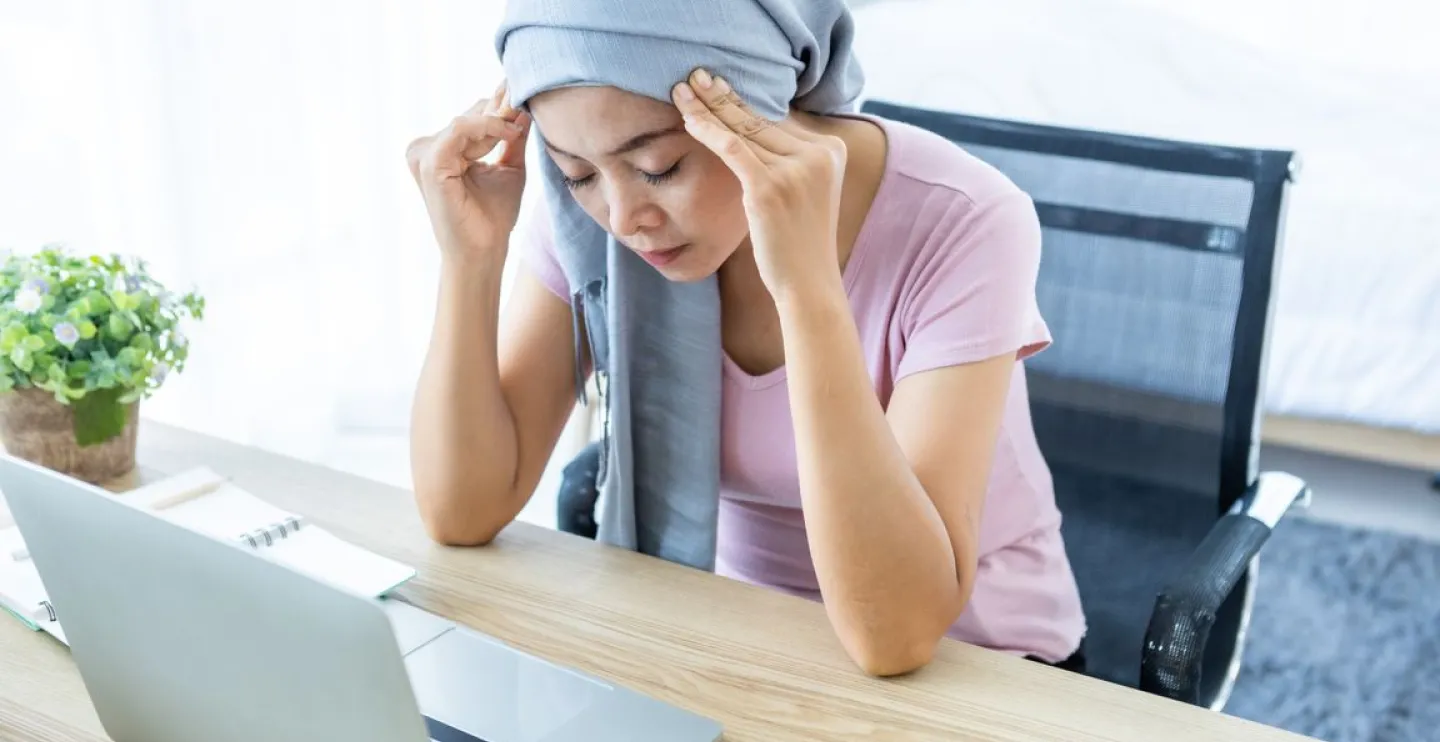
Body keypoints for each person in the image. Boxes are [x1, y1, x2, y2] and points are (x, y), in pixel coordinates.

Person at [406, 0, 1086, 677]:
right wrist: (470, 261)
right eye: (577, 173)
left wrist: (808, 291)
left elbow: (897, 638)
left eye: (659, 167)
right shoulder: (593, 225)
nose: (623, 218)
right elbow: (462, 509)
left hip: (978, 664)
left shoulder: (967, 220)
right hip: (738, 638)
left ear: (753, 112)